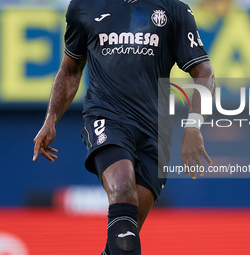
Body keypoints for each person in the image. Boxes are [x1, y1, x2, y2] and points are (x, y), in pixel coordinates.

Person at [33, 0, 215, 254]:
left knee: (124, 238)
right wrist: (50, 119)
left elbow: (204, 71)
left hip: (155, 130)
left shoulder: (173, 9)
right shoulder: (84, 6)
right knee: (123, 190)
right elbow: (71, 69)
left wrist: (194, 125)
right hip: (106, 116)